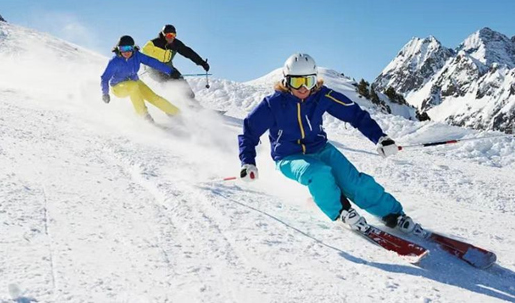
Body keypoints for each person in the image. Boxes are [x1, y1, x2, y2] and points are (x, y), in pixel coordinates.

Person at [237, 53, 424, 236]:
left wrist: (380, 138)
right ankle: (342, 212)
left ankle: (393, 214)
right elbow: (249, 132)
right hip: (288, 157)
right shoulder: (273, 104)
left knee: (354, 182)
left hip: (321, 149)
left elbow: (355, 114)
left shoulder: (322, 96)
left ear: (314, 80)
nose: (303, 88)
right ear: (286, 82)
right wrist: (248, 162)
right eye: (296, 82)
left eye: (308, 81)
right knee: (318, 173)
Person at [101, 35, 182, 123]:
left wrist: (170, 71)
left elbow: (152, 62)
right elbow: (105, 78)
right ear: (118, 49)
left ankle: (175, 113)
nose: (126, 52)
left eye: (128, 48)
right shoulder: (114, 62)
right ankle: (143, 115)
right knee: (133, 86)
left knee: (153, 97)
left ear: (132, 47)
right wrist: (105, 93)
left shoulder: (137, 56)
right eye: (122, 49)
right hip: (118, 87)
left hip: (134, 82)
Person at [142, 24, 209, 101]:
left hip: (168, 67)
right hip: (153, 69)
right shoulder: (154, 43)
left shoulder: (176, 44)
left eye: (173, 35)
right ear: (164, 34)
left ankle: (193, 103)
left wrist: (202, 63)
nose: (171, 37)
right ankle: (172, 106)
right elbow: (143, 54)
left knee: (181, 81)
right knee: (169, 83)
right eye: (168, 35)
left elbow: (189, 53)